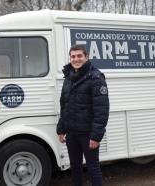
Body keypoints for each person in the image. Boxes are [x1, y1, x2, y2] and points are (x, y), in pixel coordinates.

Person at [56, 44, 110, 186]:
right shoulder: (68, 78)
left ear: (86, 57)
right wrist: (61, 129)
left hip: (88, 134)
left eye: (79, 56)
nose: (76, 59)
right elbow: (64, 105)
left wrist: (96, 135)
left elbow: (101, 109)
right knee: (75, 167)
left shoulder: (95, 77)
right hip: (72, 133)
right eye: (73, 56)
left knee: (93, 168)